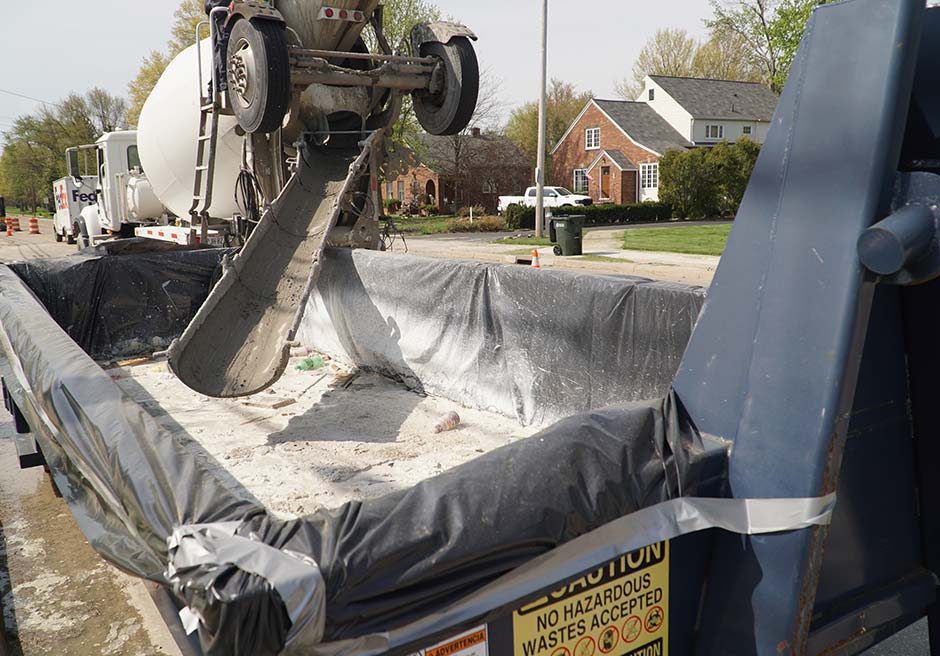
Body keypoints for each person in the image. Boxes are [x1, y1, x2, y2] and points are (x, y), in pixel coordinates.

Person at [205, 0, 230, 94]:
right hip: (219, 8)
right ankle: (221, 83)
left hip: (217, 8)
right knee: (222, 43)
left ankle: (215, 86)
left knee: (219, 45)